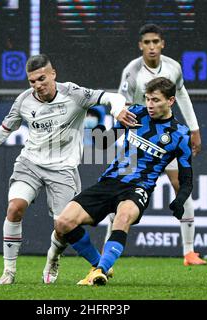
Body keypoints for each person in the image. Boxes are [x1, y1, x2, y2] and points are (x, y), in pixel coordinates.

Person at [0, 54, 136, 284]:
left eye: (42, 79)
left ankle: (53, 256)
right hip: (30, 163)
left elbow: (112, 97)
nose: (37, 86)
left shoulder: (74, 94)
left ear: (53, 74)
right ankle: (9, 271)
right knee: (15, 208)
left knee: (64, 226)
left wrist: (117, 111)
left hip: (63, 169)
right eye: (32, 81)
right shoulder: (24, 100)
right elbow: (6, 129)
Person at [55, 77, 194, 286]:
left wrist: (180, 200)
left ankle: (100, 271)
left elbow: (186, 177)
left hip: (139, 187)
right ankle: (100, 264)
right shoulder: (136, 113)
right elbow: (105, 143)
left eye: (156, 100)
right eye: (147, 99)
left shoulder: (180, 134)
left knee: (123, 217)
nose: (150, 105)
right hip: (111, 180)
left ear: (171, 101)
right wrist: (98, 126)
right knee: (63, 223)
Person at [104, 23, 206, 266]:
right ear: (140, 45)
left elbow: (182, 95)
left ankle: (189, 252)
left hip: (164, 139)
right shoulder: (132, 71)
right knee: (119, 192)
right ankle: (104, 256)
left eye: (155, 42)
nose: (151, 47)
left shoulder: (173, 68)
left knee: (180, 183)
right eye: (147, 42)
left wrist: (194, 129)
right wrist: (119, 133)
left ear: (163, 44)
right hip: (137, 141)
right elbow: (120, 105)